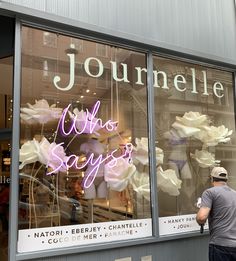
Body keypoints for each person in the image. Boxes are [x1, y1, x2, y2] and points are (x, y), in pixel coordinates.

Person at [196, 166, 236, 261]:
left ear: (212, 178)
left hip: (220, 246)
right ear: (226, 179)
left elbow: (201, 217)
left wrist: (198, 218)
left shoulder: (209, 193)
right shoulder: (235, 193)